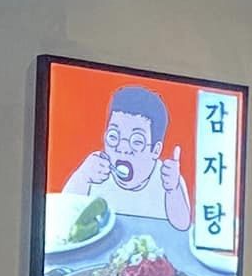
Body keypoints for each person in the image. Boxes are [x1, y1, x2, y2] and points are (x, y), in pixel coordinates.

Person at [62, 83, 191, 230]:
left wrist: (173, 190)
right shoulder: (95, 171)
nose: (122, 148)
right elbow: (64, 217)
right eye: (113, 136)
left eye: (137, 141)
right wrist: (82, 176)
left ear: (155, 150)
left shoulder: (167, 178)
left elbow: (182, 225)